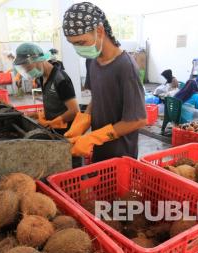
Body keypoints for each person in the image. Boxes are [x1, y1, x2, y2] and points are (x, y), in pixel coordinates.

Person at [62, 2, 146, 162]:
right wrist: (84, 119)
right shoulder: (92, 60)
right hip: (99, 149)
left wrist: (94, 137)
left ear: (99, 31)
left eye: (80, 42)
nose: (78, 49)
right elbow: (97, 95)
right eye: (73, 44)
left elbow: (138, 120)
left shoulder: (125, 66)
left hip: (121, 154)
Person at [14, 43, 79, 134]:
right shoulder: (41, 76)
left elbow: (74, 111)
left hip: (66, 131)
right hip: (52, 129)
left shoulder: (60, 79)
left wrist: (53, 122)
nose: (28, 71)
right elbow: (54, 102)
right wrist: (38, 115)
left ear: (39, 59)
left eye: (28, 67)